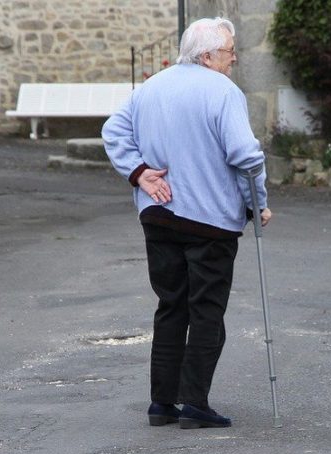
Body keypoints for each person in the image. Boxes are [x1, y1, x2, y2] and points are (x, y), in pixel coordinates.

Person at [102, 17, 271, 429]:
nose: (234, 59)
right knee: (207, 312)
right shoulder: (224, 91)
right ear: (209, 55)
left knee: (171, 306)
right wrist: (257, 205)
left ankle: (162, 403)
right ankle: (195, 403)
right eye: (230, 52)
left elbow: (112, 131)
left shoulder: (153, 86)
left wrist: (140, 172)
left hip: (158, 214)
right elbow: (246, 157)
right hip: (210, 220)